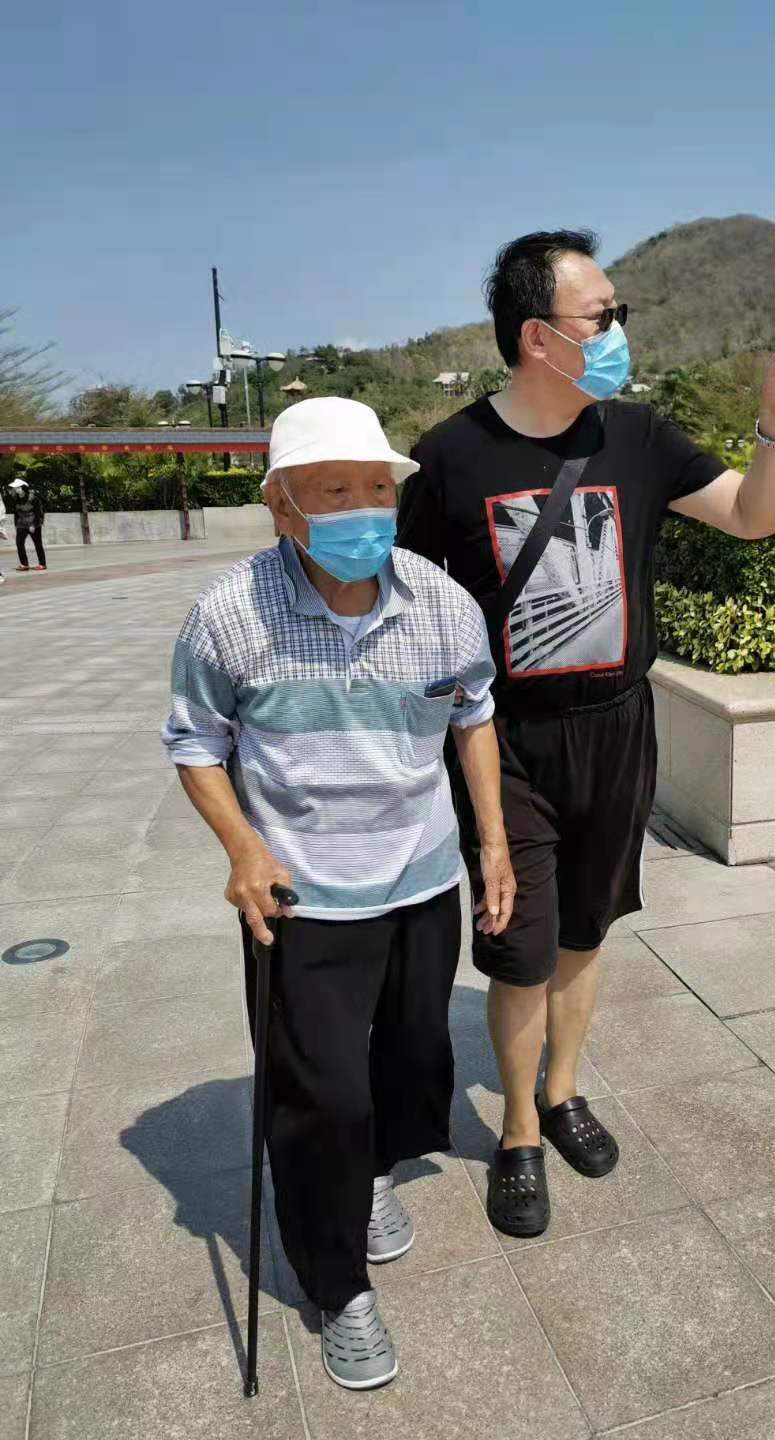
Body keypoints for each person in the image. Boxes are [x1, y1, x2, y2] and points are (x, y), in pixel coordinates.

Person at [398, 229, 775, 1239]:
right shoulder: (450, 455)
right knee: (518, 945)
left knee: (585, 931)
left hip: (617, 728)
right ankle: (518, 1132)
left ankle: (561, 1091)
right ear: (539, 338)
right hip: (507, 742)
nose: (617, 331)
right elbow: (411, 605)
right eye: (602, 316)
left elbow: (752, 516)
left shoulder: (639, 438)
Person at [162, 397, 515, 1392]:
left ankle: (368, 1176)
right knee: (319, 1096)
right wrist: (242, 848)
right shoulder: (230, 613)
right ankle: (337, 1285)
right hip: (302, 896)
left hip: (419, 882)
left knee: (411, 1058)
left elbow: (474, 717)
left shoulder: (441, 602)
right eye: (333, 491)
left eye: (377, 489)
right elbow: (195, 742)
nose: (364, 510)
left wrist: (491, 843)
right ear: (281, 506)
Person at [9, 476, 46, 571]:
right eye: (15, 488)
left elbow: (39, 512)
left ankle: (42, 564)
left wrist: (34, 524)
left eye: (18, 487)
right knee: (19, 543)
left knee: (38, 544)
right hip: (21, 524)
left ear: (23, 487)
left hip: (33, 524)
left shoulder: (33, 498)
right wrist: (16, 524)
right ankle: (24, 564)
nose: (16, 489)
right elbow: (16, 512)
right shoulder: (16, 498)